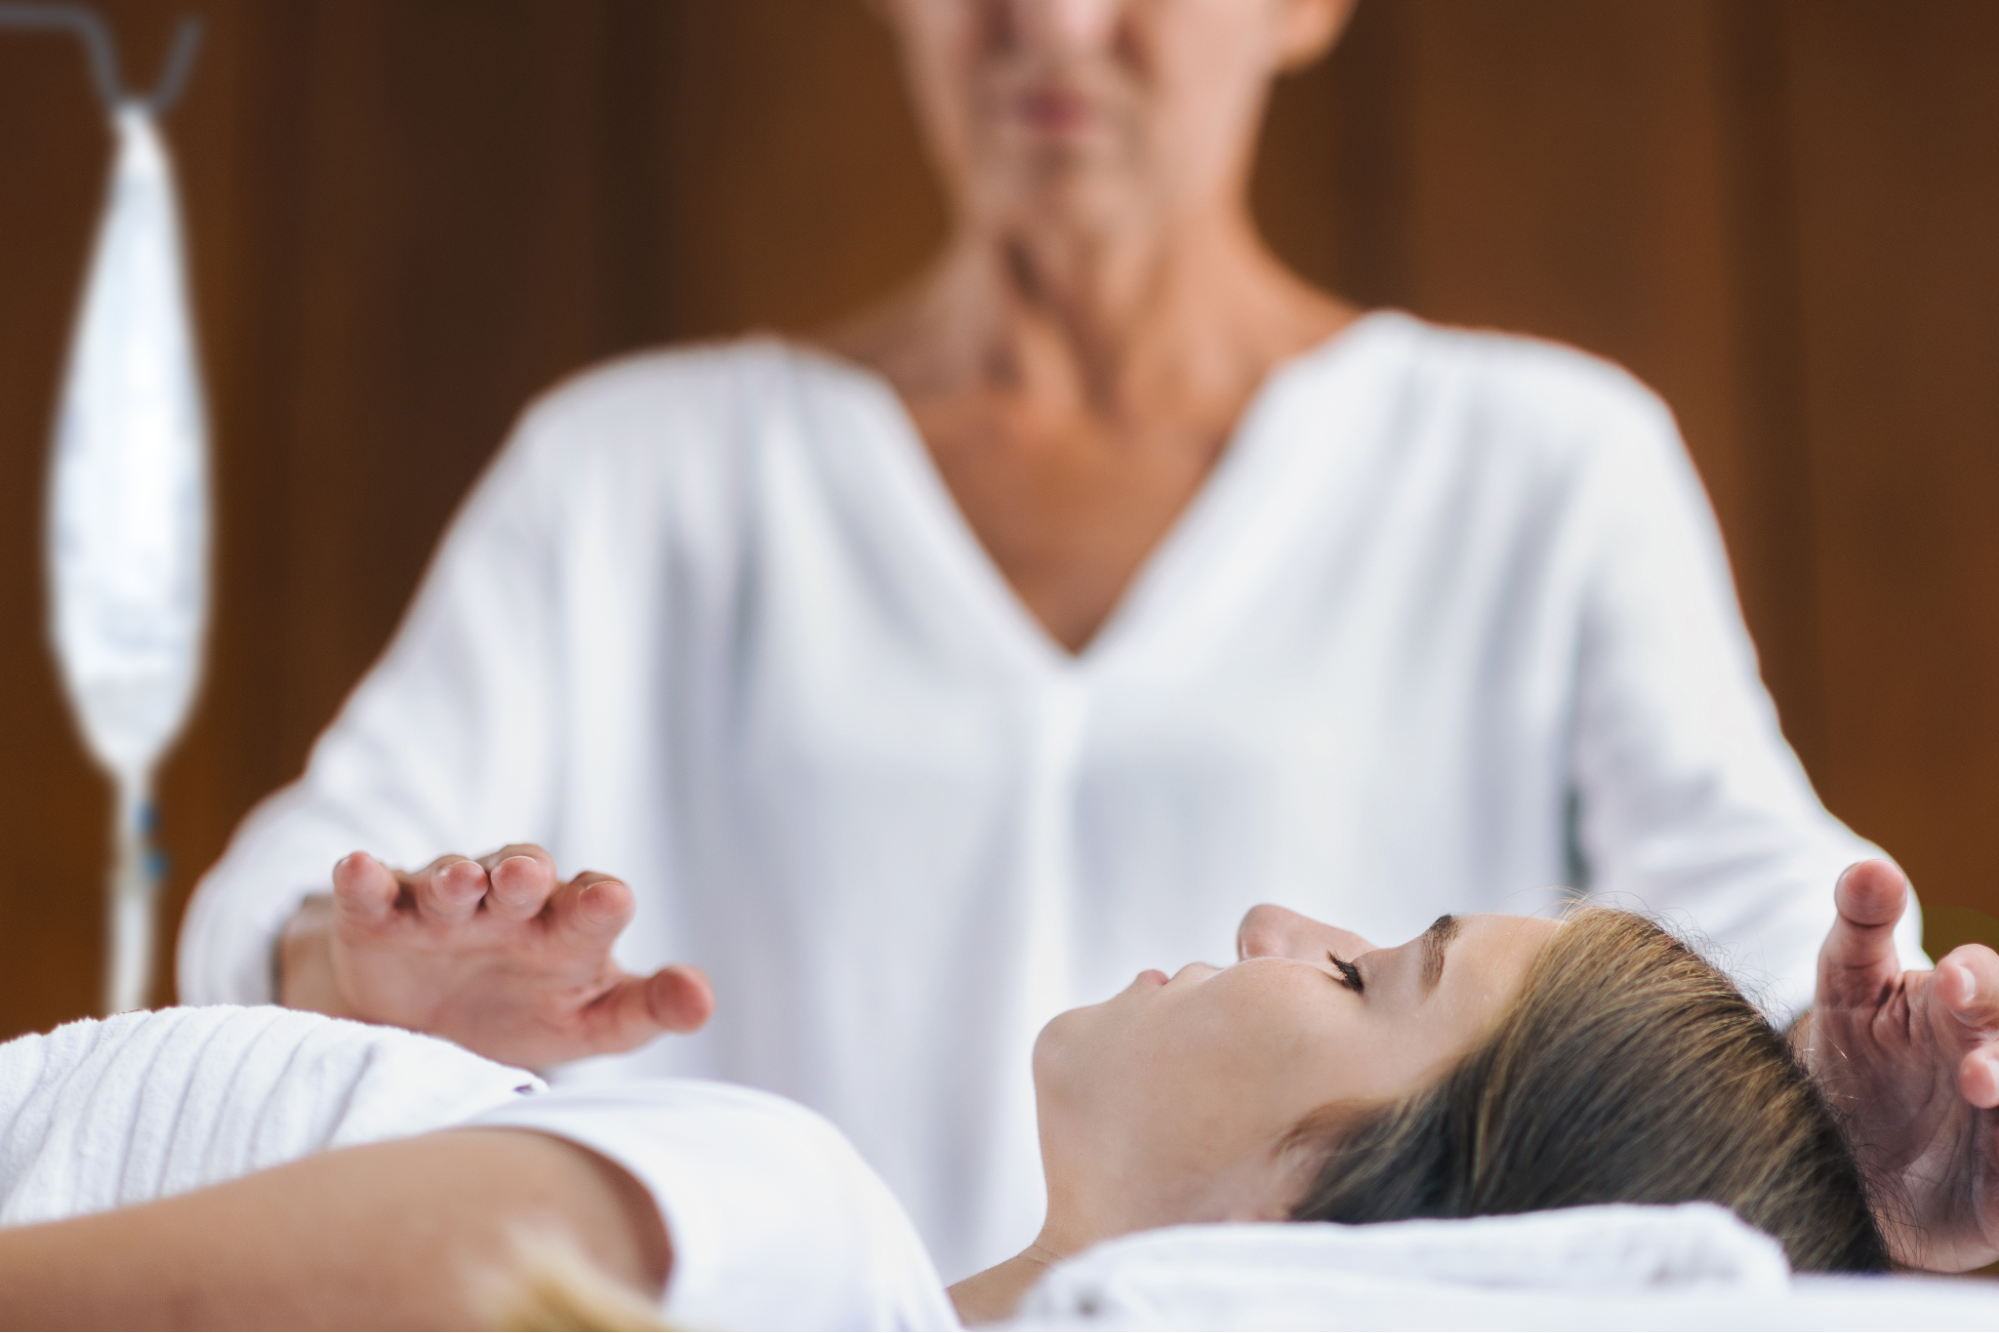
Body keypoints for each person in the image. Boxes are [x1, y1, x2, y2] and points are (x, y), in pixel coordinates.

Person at [174, 0, 1971, 1280]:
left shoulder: (1537, 463)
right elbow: (299, 888)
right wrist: (351, 977)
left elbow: (1747, 901)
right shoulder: (635, 473)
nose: (1046, 22)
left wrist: (1878, 1127)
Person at [4, 896, 1913, 1329]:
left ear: (1333, 1232)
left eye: (1359, 979)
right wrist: (361, 1068)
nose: (1275, 923)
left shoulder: (788, 1230)